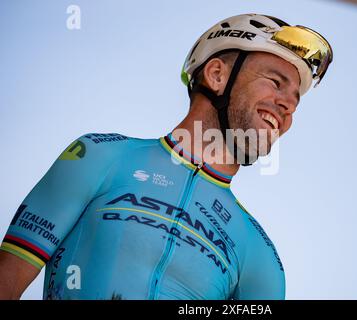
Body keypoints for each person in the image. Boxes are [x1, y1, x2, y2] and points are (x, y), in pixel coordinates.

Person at [0, 13, 333, 300]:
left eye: (295, 100)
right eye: (275, 81)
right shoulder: (99, 156)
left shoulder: (260, 256)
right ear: (216, 75)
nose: (288, 105)